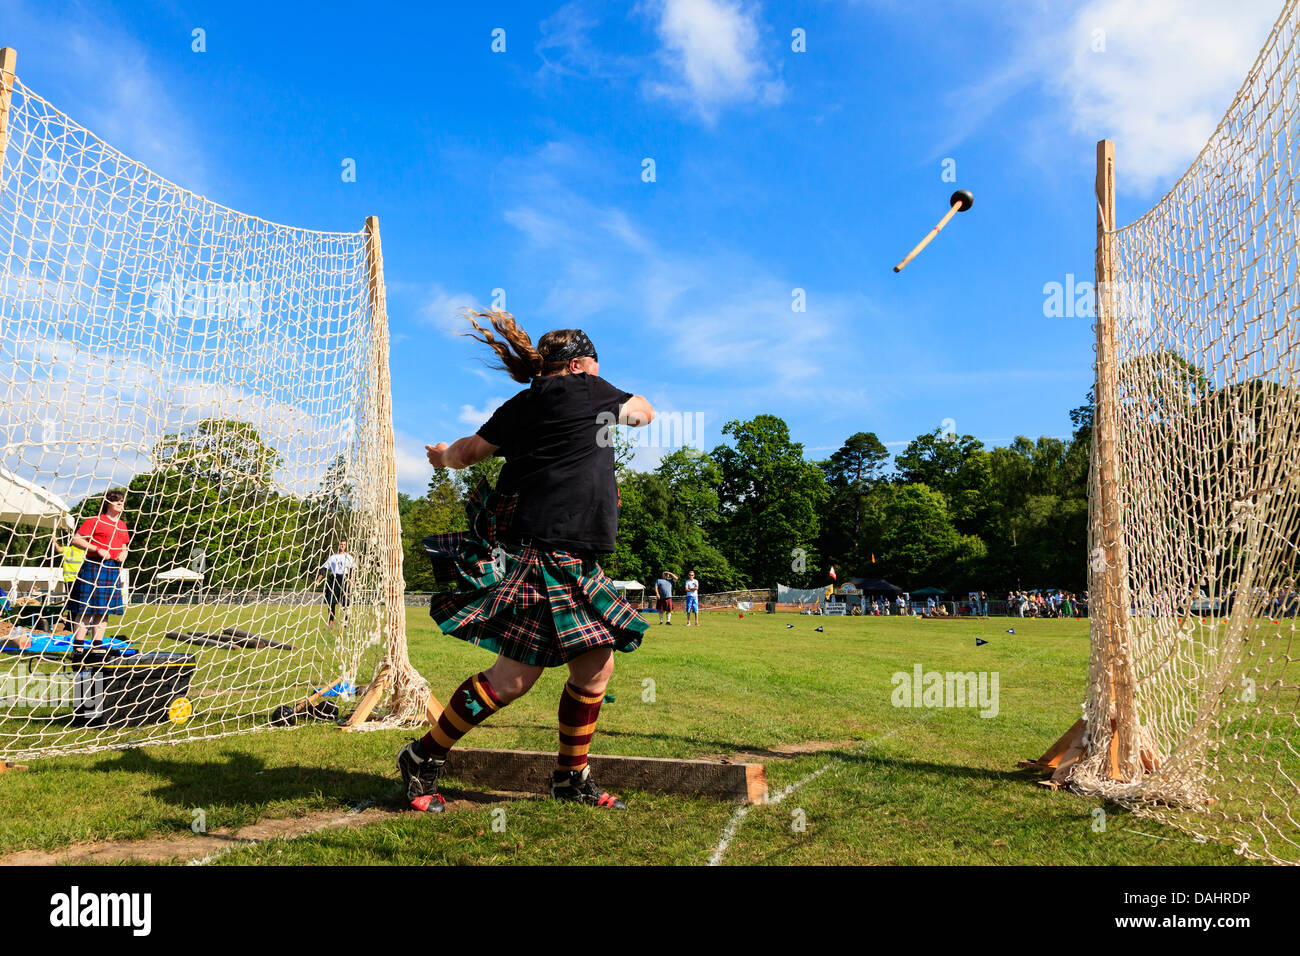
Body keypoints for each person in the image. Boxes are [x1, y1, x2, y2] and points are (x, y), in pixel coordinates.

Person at [396, 311, 656, 813]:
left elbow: (469, 452)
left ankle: (569, 778)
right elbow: (644, 411)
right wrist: (620, 407)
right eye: (596, 367)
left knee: (594, 671)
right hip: (544, 553)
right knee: (513, 679)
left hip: (567, 553)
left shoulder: (523, 403)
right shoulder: (588, 388)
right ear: (581, 364)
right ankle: (422, 756)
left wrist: (442, 455)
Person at [66, 490, 130, 646]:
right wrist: (97, 549)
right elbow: (76, 540)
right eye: (118, 501)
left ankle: (97, 648)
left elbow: (124, 547)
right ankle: (79, 649)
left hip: (112, 568)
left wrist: (123, 554)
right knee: (86, 611)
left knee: (104, 612)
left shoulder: (122, 525)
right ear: (108, 503)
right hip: (94, 566)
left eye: (123, 501)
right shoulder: (94, 521)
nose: (121, 503)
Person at [314, 539, 355, 629]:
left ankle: (346, 621)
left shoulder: (349, 557)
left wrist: (351, 580)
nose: (342, 546)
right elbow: (324, 569)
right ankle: (331, 623)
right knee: (331, 603)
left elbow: (352, 570)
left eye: (344, 544)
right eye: (341, 544)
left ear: (346, 546)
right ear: (339, 545)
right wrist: (318, 580)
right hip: (334, 579)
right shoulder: (332, 557)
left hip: (345, 579)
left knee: (346, 603)